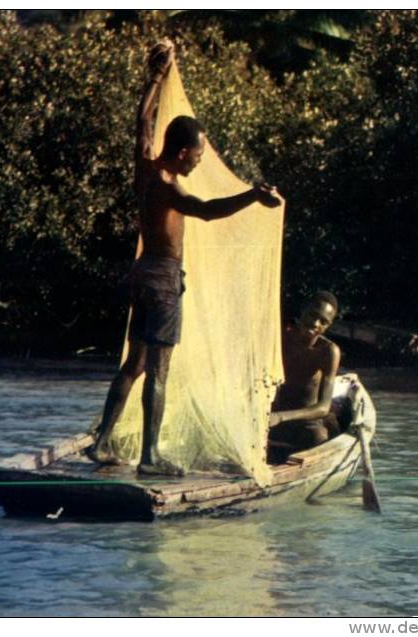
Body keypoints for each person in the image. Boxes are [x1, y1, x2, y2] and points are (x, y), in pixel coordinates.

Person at [87, 40, 283, 476]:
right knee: (158, 370)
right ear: (181, 153)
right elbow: (208, 211)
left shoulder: (146, 165)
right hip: (161, 279)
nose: (198, 162)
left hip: (143, 275)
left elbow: (141, 121)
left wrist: (156, 78)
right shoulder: (169, 186)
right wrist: (253, 195)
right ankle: (150, 458)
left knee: (133, 363)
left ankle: (101, 443)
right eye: (197, 156)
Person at [268, 291, 342, 456]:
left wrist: (280, 417)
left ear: (328, 326)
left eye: (323, 322)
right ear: (302, 311)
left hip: (306, 424)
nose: (316, 323)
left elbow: (323, 408)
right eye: (313, 315)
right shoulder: (279, 338)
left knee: (318, 437)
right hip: (272, 420)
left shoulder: (327, 351)